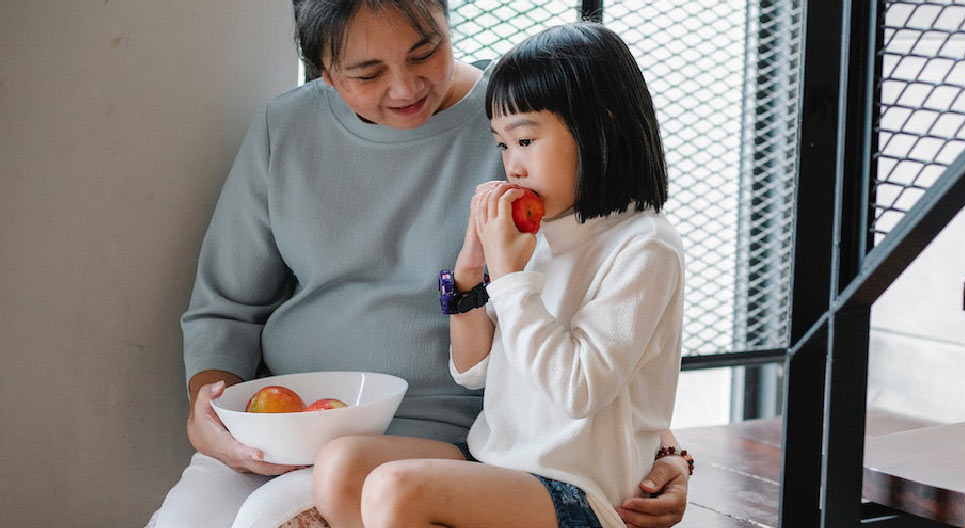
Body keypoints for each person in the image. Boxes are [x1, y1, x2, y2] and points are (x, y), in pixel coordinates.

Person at [149, 2, 689, 527]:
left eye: (426, 51)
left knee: (266, 521)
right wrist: (209, 415)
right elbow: (225, 309)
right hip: (283, 425)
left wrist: (663, 451)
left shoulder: (516, 121)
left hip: (455, 444)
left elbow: (614, 316)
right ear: (325, 74)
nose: (405, 88)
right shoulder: (283, 129)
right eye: (367, 72)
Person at [311, 22, 687, 528]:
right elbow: (473, 370)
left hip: (581, 490)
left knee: (396, 490)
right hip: (498, 462)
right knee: (341, 465)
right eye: (503, 145)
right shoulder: (538, 233)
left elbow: (578, 390)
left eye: (527, 139)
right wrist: (470, 272)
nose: (512, 165)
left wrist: (509, 279)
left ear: (603, 124)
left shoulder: (645, 246)